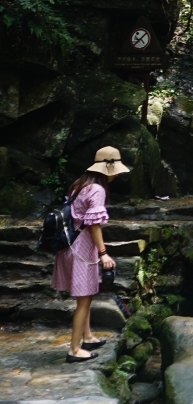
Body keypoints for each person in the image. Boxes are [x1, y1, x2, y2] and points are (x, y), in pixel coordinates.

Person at [55, 147, 127, 362]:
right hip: (82, 251)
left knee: (85, 296)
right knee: (84, 301)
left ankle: (87, 337)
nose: (117, 175)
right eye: (115, 170)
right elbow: (94, 224)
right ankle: (75, 350)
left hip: (69, 247)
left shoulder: (79, 185)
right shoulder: (97, 189)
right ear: (108, 169)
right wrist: (103, 253)